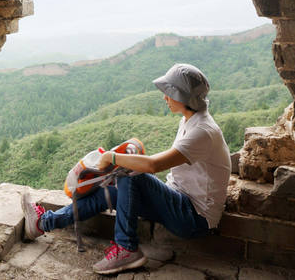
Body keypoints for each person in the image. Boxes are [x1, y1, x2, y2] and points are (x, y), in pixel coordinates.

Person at [21, 63, 231, 275]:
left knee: (128, 174)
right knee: (109, 191)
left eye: (169, 93)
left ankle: (127, 248)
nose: (165, 98)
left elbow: (153, 165)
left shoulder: (203, 131)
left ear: (184, 97)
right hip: (179, 201)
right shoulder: (189, 121)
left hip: (194, 217)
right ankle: (42, 223)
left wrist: (111, 157)